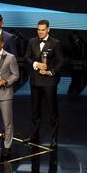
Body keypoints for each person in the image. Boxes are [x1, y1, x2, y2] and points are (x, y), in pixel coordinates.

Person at [23, 20, 64, 148]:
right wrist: (35, 64)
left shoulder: (55, 43)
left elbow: (61, 61)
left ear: (48, 29)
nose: (40, 32)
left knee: (52, 111)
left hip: (49, 82)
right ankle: (34, 136)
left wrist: (51, 72)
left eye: (43, 29)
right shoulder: (32, 41)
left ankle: (53, 138)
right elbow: (26, 57)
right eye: (38, 29)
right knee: (35, 111)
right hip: (35, 81)